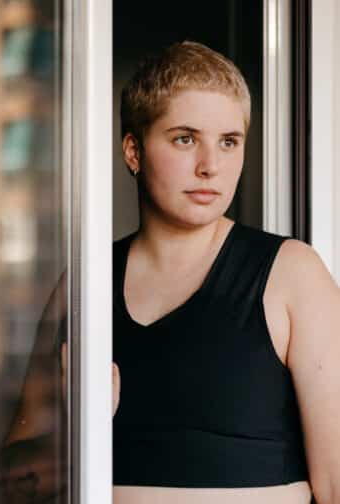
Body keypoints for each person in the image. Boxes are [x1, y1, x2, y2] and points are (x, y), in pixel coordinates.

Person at [112, 40, 340, 504]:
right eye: (185, 138)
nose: (210, 166)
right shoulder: (85, 283)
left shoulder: (292, 274)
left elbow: (337, 482)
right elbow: (16, 473)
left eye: (228, 142)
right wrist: (74, 417)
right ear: (133, 151)